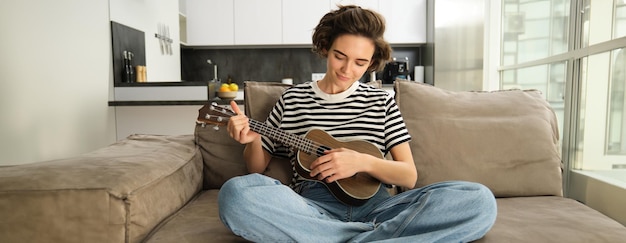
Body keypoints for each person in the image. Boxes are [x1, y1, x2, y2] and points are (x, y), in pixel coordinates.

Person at [219, 5, 497, 242]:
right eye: (340, 56)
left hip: (379, 208)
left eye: (360, 62)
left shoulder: (382, 101)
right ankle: (371, 236)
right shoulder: (292, 99)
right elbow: (256, 168)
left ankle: (335, 237)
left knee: (479, 200)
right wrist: (253, 138)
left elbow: (408, 176)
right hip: (311, 208)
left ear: (372, 63)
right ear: (326, 47)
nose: (347, 70)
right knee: (235, 195)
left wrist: (362, 163)